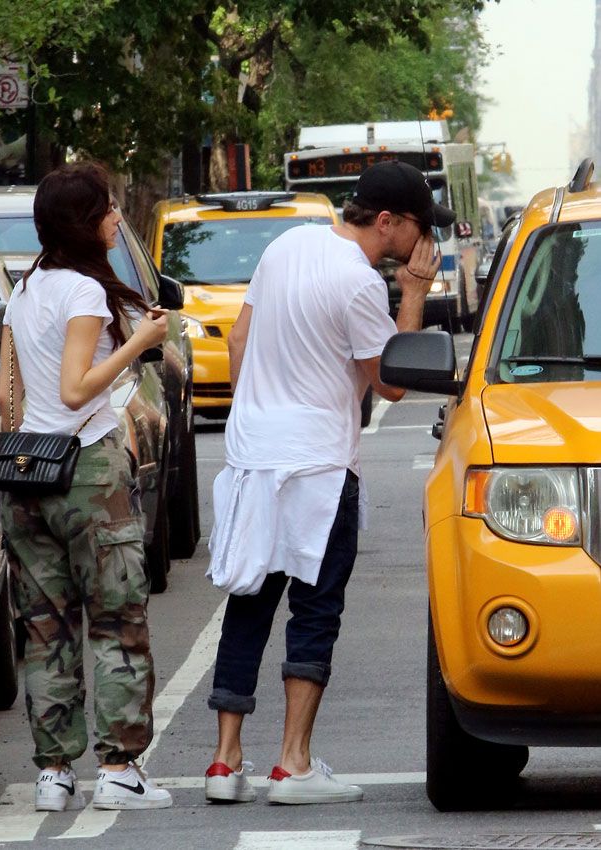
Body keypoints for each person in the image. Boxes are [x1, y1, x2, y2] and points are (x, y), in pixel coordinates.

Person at [203, 161, 456, 805]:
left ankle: (225, 763)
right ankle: (292, 763)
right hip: (318, 466)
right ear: (387, 222)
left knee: (249, 600)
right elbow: (394, 380)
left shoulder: (286, 245)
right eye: (419, 228)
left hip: (255, 457)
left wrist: (256, 410)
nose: (424, 243)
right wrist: (413, 295)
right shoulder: (358, 285)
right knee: (314, 615)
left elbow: (238, 338)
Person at [0, 161, 173, 812]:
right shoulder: (85, 294)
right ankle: (120, 768)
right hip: (86, 468)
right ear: (83, 222)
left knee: (44, 627)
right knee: (117, 618)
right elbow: (75, 390)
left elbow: (6, 393)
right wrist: (143, 340)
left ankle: (53, 773)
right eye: (107, 208)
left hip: (25, 473)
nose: (116, 217)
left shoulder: (26, 287)